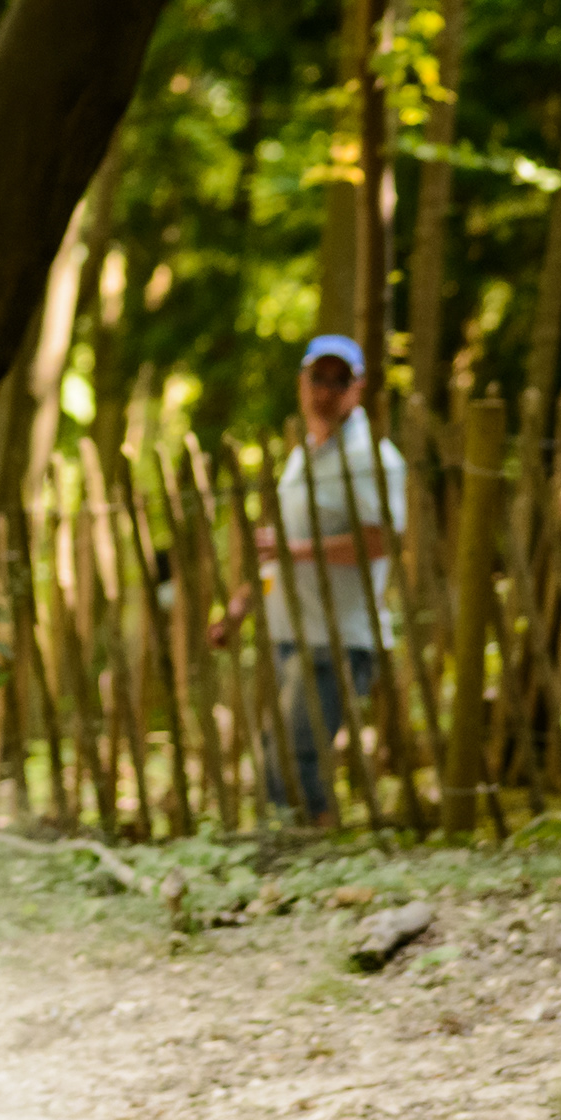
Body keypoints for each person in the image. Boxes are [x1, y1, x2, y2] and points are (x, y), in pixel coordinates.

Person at [206, 334, 410, 827]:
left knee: (298, 761)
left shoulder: (370, 459)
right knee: (280, 761)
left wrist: (294, 550)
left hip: (337, 639)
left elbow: (381, 541)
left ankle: (316, 863)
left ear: (358, 389)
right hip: (292, 633)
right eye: (318, 378)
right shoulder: (303, 458)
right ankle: (299, 861)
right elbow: (281, 550)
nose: (327, 390)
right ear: (302, 384)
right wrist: (239, 607)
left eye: (340, 381)